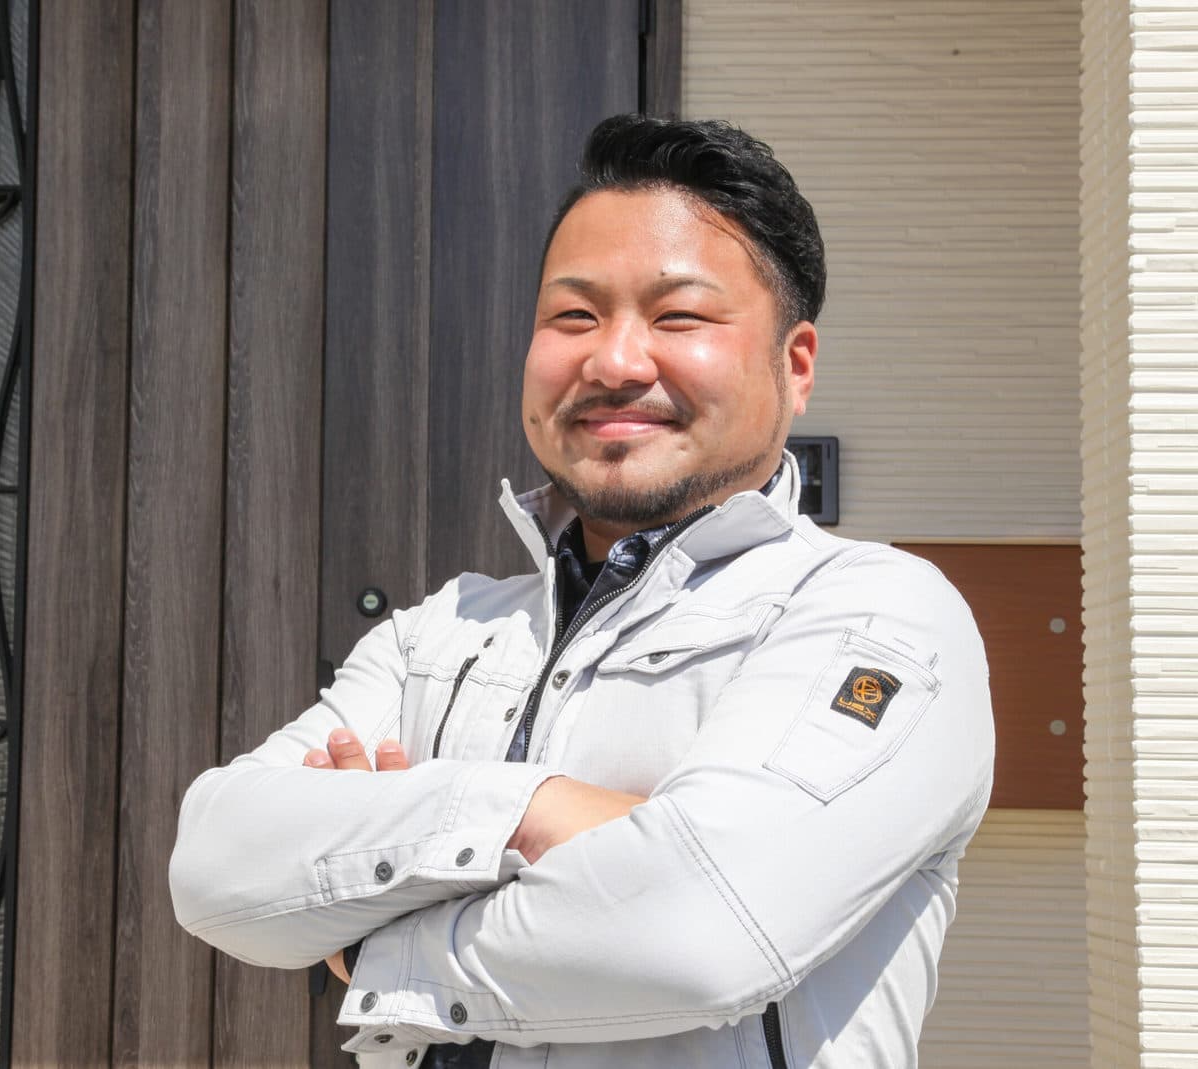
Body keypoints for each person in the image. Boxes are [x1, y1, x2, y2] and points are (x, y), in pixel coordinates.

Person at [169, 114, 993, 1068]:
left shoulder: (877, 613)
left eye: (679, 317)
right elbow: (214, 865)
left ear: (794, 364)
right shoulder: (443, 631)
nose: (614, 362)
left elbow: (697, 928)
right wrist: (548, 808)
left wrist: (371, 929)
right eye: (573, 317)